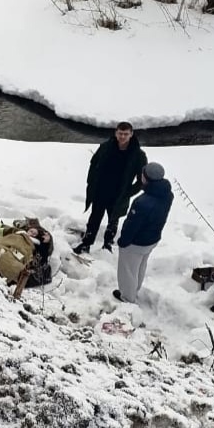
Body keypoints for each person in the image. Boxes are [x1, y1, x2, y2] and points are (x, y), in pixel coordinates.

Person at [73, 122, 147, 254]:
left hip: (119, 195)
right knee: (94, 218)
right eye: (120, 133)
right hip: (100, 191)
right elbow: (93, 164)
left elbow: (142, 179)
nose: (122, 137)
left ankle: (108, 243)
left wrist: (128, 193)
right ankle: (87, 243)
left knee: (113, 220)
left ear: (131, 134)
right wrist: (91, 181)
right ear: (115, 133)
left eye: (126, 134)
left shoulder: (138, 155)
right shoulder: (106, 147)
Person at [112, 162, 173, 304]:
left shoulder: (143, 202)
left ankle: (127, 297)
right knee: (140, 265)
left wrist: (123, 241)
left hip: (136, 242)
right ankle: (135, 289)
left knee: (127, 270)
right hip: (152, 239)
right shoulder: (167, 195)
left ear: (147, 178)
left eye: (143, 174)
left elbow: (132, 225)